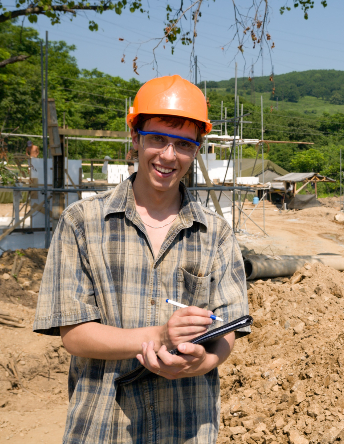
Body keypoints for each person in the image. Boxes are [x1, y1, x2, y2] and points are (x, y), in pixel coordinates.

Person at [33, 75, 249, 443]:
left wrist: (204, 361)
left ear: (197, 148)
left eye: (184, 144)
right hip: (104, 426)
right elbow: (75, 335)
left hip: (186, 427)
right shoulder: (82, 222)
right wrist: (160, 336)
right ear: (135, 137)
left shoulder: (216, 233)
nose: (169, 155)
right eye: (158, 139)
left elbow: (227, 328)